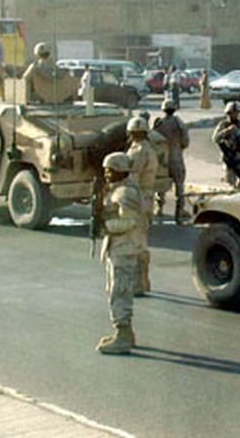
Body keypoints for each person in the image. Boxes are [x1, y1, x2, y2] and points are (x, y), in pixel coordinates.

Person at [96, 152, 144, 355]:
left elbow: (129, 221)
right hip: (119, 247)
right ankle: (125, 333)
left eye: (110, 170)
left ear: (119, 171)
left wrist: (105, 225)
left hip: (125, 248)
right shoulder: (118, 191)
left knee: (120, 291)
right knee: (116, 289)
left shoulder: (126, 193)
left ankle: (122, 335)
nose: (106, 174)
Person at [126, 116, 158, 295]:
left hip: (138, 196)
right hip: (146, 196)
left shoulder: (138, 152)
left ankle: (138, 285)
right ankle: (143, 282)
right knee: (142, 240)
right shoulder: (148, 149)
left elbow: (133, 176)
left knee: (136, 241)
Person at [153, 99, 190, 225]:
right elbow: (185, 141)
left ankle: (159, 208)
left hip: (162, 158)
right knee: (179, 185)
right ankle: (179, 212)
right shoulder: (178, 123)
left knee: (161, 184)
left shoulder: (158, 123)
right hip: (176, 157)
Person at [212, 101, 240, 187]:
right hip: (229, 157)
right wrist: (227, 131)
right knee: (230, 181)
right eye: (232, 113)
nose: (235, 115)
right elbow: (215, 138)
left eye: (236, 113)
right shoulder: (223, 125)